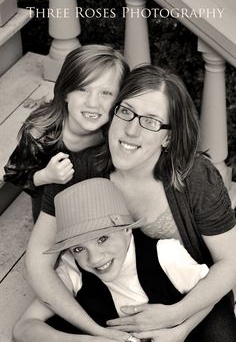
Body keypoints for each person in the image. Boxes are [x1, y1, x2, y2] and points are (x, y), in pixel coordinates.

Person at [25, 65, 236, 341]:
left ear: (169, 136)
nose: (130, 131)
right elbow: (39, 263)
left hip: (191, 290)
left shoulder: (196, 177)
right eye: (125, 111)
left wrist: (177, 320)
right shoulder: (78, 171)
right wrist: (97, 334)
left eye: (150, 121)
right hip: (109, 291)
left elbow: (230, 261)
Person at [13, 178, 211, 342]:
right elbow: (24, 327)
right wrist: (86, 340)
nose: (95, 258)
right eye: (79, 248)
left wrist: (181, 330)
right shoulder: (73, 268)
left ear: (126, 229)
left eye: (103, 238)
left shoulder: (165, 255)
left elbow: (211, 294)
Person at [4, 44, 129, 222]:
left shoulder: (116, 131)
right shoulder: (41, 133)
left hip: (98, 208)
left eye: (106, 93)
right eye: (83, 89)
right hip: (53, 215)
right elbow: (15, 175)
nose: (93, 103)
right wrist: (46, 176)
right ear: (65, 93)